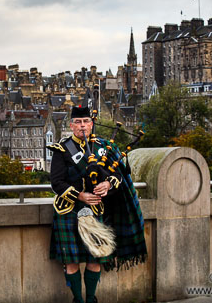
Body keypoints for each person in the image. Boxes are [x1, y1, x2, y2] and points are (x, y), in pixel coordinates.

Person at [47, 106, 147, 303]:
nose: (82, 126)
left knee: (95, 259)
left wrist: (108, 183)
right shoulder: (62, 149)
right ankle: (78, 300)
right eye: (78, 122)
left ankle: (91, 299)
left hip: (96, 210)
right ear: (71, 125)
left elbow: (119, 175)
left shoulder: (104, 147)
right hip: (68, 210)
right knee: (72, 261)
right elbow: (56, 183)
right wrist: (81, 196)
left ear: (91, 124)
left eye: (86, 122)